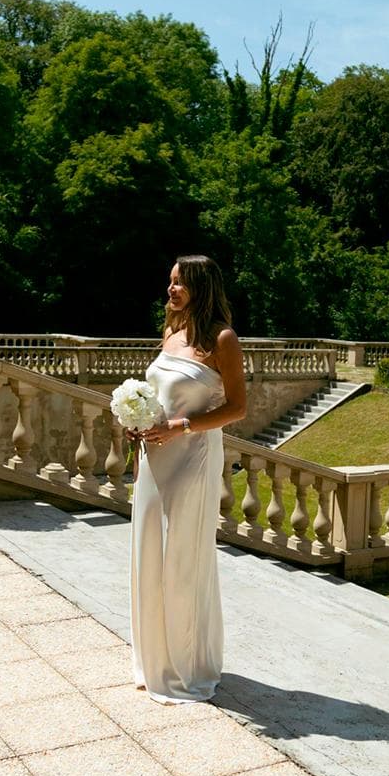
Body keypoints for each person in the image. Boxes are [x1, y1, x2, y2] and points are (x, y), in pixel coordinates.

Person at [129, 255, 246, 704]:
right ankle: (154, 660)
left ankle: (187, 666)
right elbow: (159, 396)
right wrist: (136, 420)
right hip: (153, 455)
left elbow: (237, 408)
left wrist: (182, 427)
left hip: (193, 457)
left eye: (179, 283)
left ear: (201, 286)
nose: (171, 289)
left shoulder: (223, 339)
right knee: (149, 551)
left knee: (181, 558)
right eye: (169, 281)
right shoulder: (171, 333)